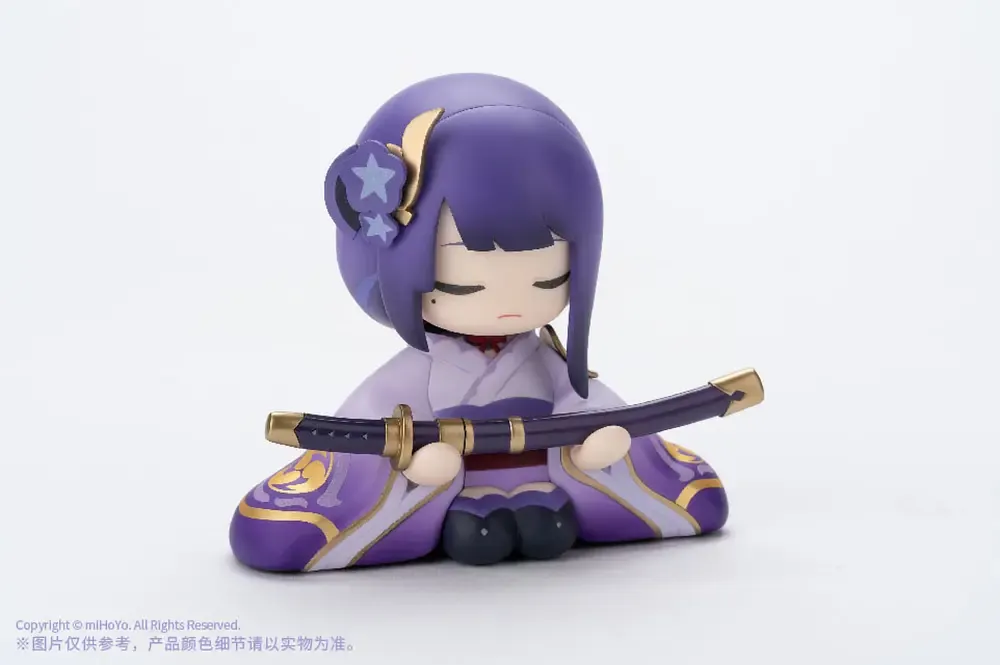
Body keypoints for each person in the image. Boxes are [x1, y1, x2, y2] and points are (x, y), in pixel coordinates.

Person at [229, 73, 728, 572]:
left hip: (541, 478)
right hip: (457, 484)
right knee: (475, 534)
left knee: (550, 527)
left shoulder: (543, 359)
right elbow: (376, 422)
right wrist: (414, 461)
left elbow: (583, 401)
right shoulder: (419, 370)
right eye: (464, 286)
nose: (509, 303)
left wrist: (598, 441)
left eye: (547, 281)